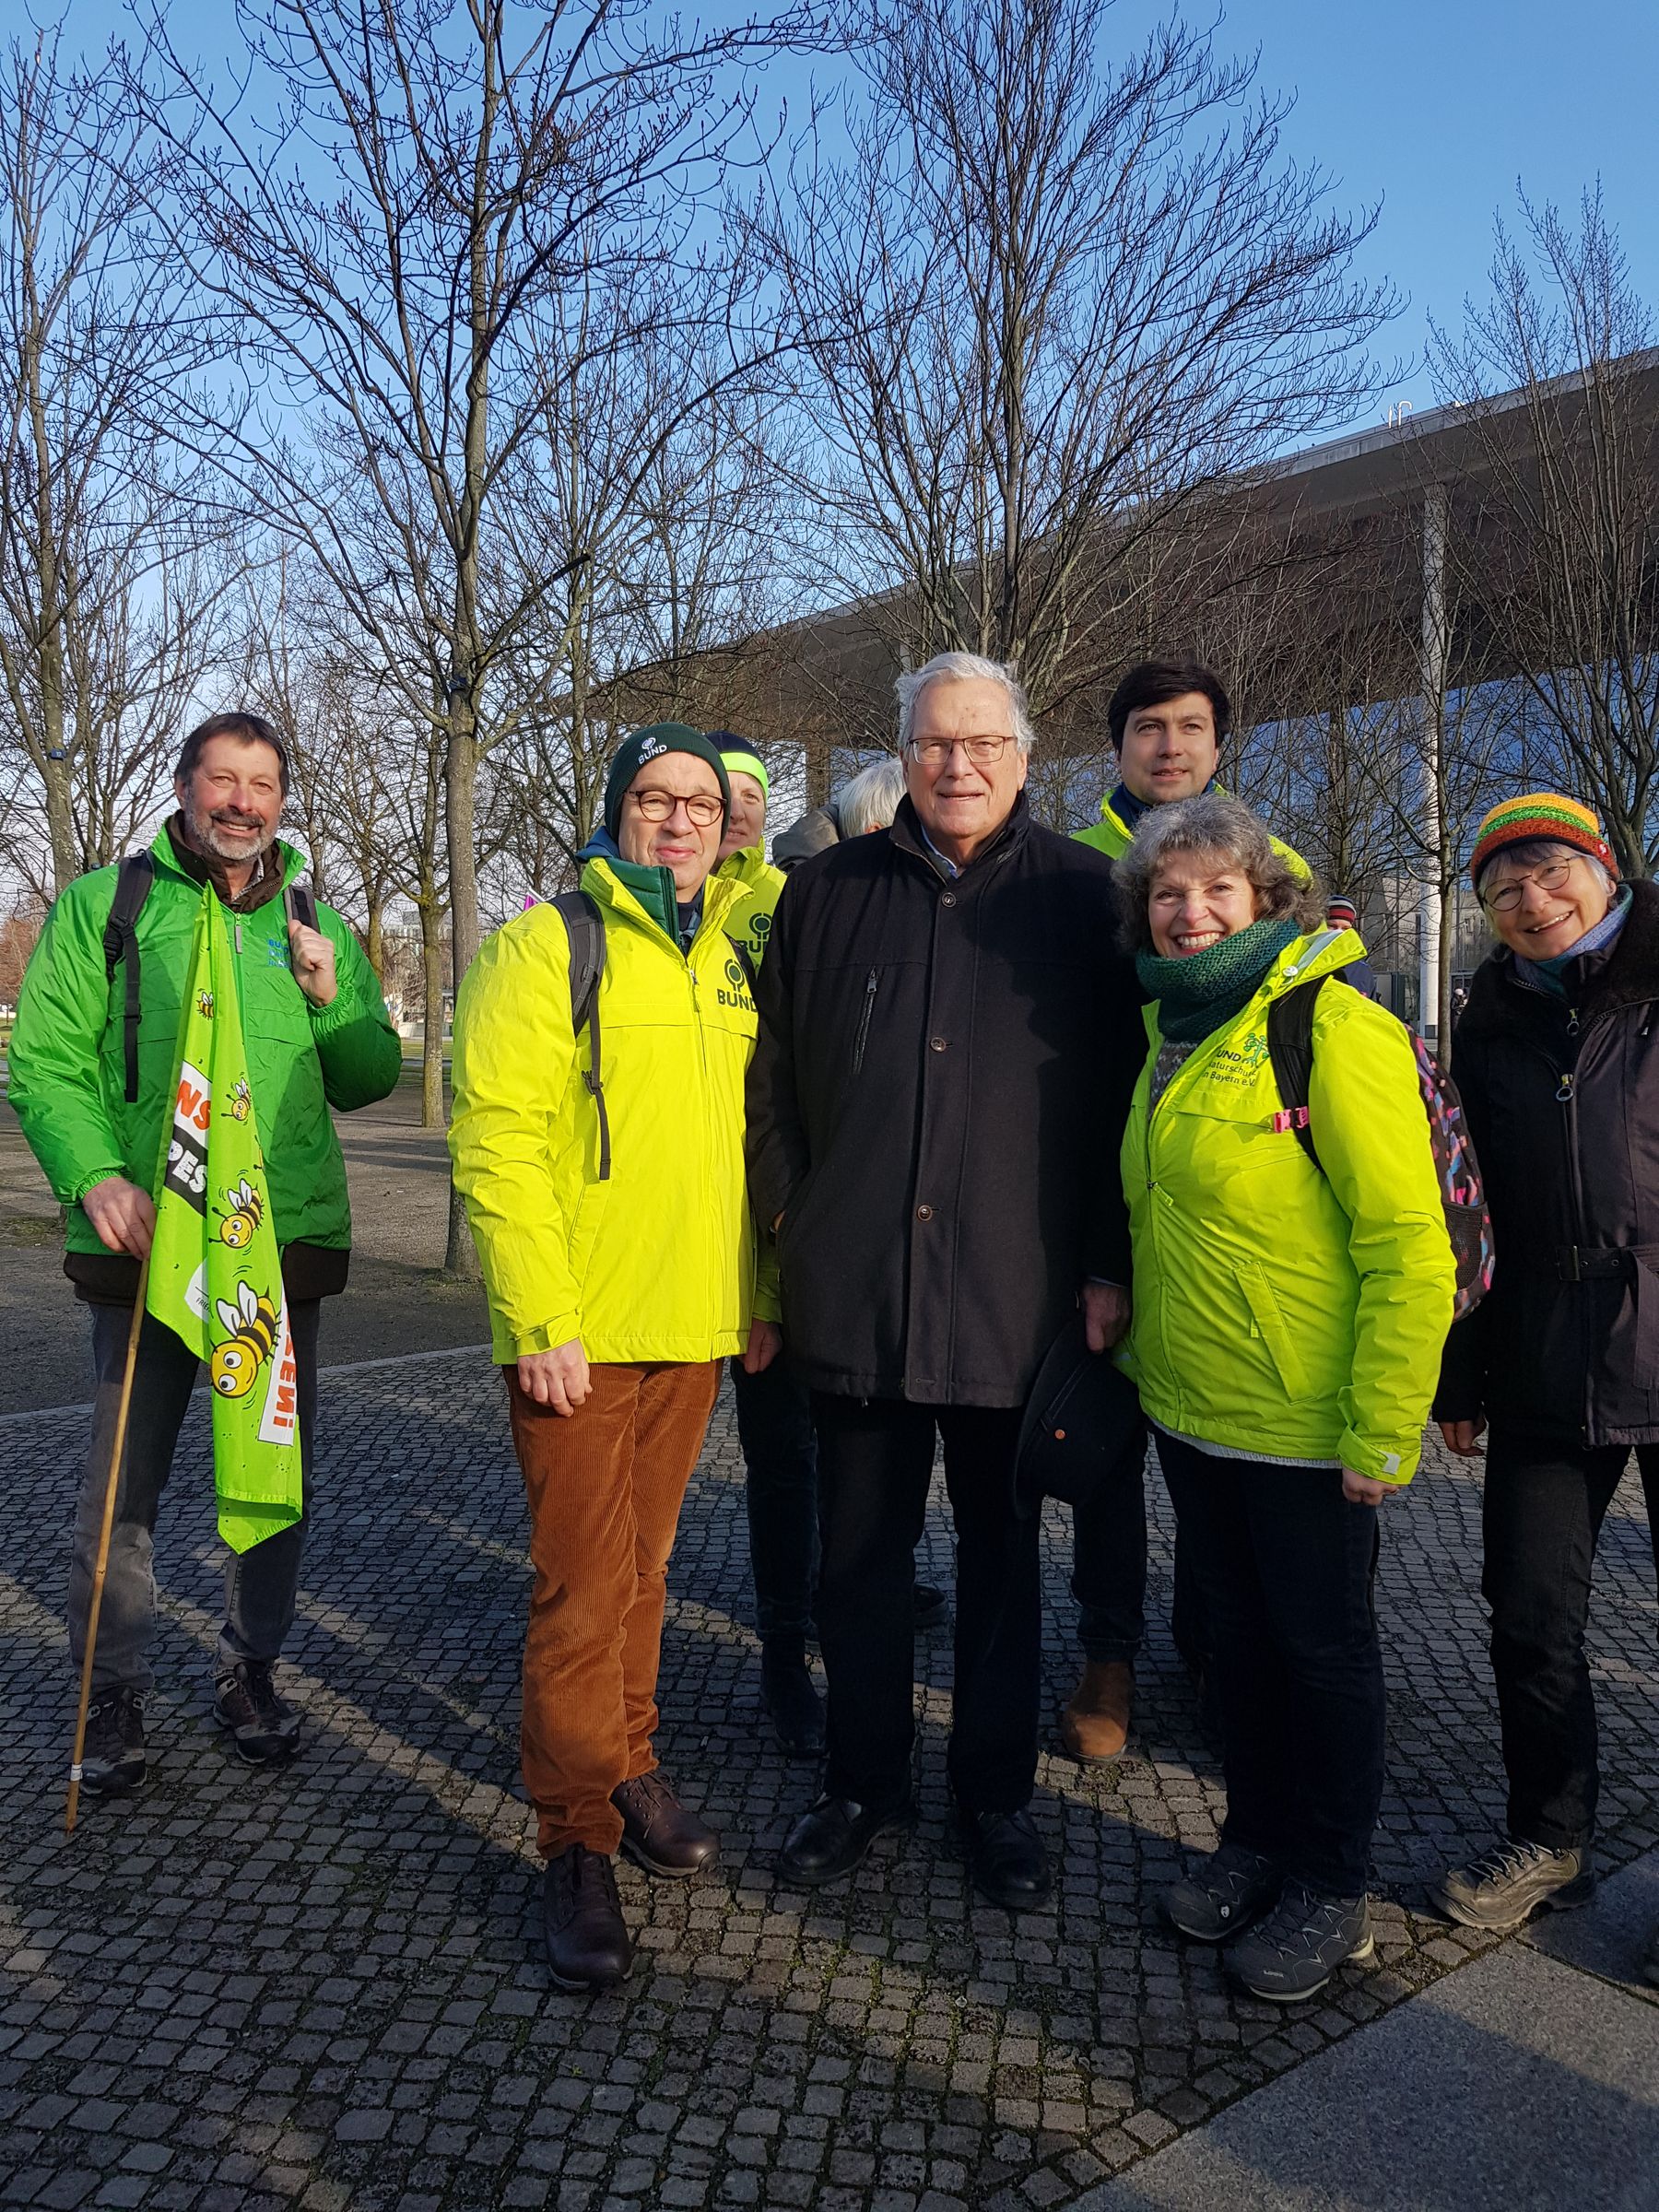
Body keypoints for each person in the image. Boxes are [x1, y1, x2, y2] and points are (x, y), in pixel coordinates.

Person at [747, 651, 1143, 1910]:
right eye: (933, 743)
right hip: (855, 1286)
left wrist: (1103, 1264)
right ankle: (864, 1784)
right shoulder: (823, 894)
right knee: (856, 1560)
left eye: (983, 744)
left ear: (1027, 759)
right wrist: (796, 1221)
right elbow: (771, 1090)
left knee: (999, 1559)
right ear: (901, 757)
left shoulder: (1092, 899)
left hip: (1010, 1296)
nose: (957, 765)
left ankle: (992, 1796)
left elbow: (1124, 1105)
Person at [9, 711, 402, 1793]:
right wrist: (95, 1178)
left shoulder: (317, 917)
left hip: (278, 1251)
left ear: (282, 800)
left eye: (262, 783)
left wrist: (332, 998)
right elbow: (45, 1065)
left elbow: (370, 1074)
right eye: (221, 779)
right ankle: (113, 1685)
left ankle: (250, 1670)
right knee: (122, 1489)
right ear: (184, 789)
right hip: (148, 1244)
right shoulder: (107, 907)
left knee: (271, 1476)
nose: (241, 801)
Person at [449, 723, 780, 1993]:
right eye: (654, 799)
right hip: (580, 1335)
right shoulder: (547, 942)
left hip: (693, 1326)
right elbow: (497, 1138)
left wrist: (760, 1296)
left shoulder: (732, 959)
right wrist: (540, 1319)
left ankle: (629, 1761)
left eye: (699, 802)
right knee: (580, 1595)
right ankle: (573, 1837)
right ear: (616, 812)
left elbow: (746, 1148)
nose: (681, 821)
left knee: (642, 1574)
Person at [1116, 794, 1454, 2002]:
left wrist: (1382, 1424)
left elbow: (1410, 1246)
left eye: (1215, 890)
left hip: (1310, 1428)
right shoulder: (1170, 1031)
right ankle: (1253, 1838)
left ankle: (1331, 1879)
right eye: (1168, 893)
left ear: (1266, 897)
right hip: (1195, 1417)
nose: (1191, 911)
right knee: (1240, 1650)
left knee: (1324, 1655)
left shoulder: (1330, 1025)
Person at [1064, 660, 1310, 1767]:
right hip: (1114, 1182)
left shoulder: (1266, 863)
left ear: (1219, 745)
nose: (1170, 745)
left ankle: (1219, 1651)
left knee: (1226, 1459)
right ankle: (1107, 1653)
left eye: (1193, 727)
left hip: (1231, 1199)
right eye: (1148, 728)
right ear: (1116, 747)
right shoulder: (1078, 872)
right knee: (1112, 1452)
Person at [1431, 795, 1659, 1989]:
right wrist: (1458, 1371)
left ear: (1603, 868)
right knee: (1528, 1611)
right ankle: (1549, 1835)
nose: (1531, 898)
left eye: (1551, 869)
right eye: (1503, 885)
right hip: (1536, 1352)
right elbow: (1469, 1210)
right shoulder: (1489, 1012)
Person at [708, 735, 940, 1759]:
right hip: (767, 1224)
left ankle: (855, 1605)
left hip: (858, 1235)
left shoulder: (783, 895)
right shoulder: (802, 903)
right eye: (724, 796)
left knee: (859, 1450)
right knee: (786, 1458)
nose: (739, 810)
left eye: (754, 793)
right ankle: (785, 1646)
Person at [1327, 897, 1382, 1002]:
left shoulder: (1362, 970)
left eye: (1345, 928)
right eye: (1332, 926)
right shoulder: (1305, 964)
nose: (1339, 933)